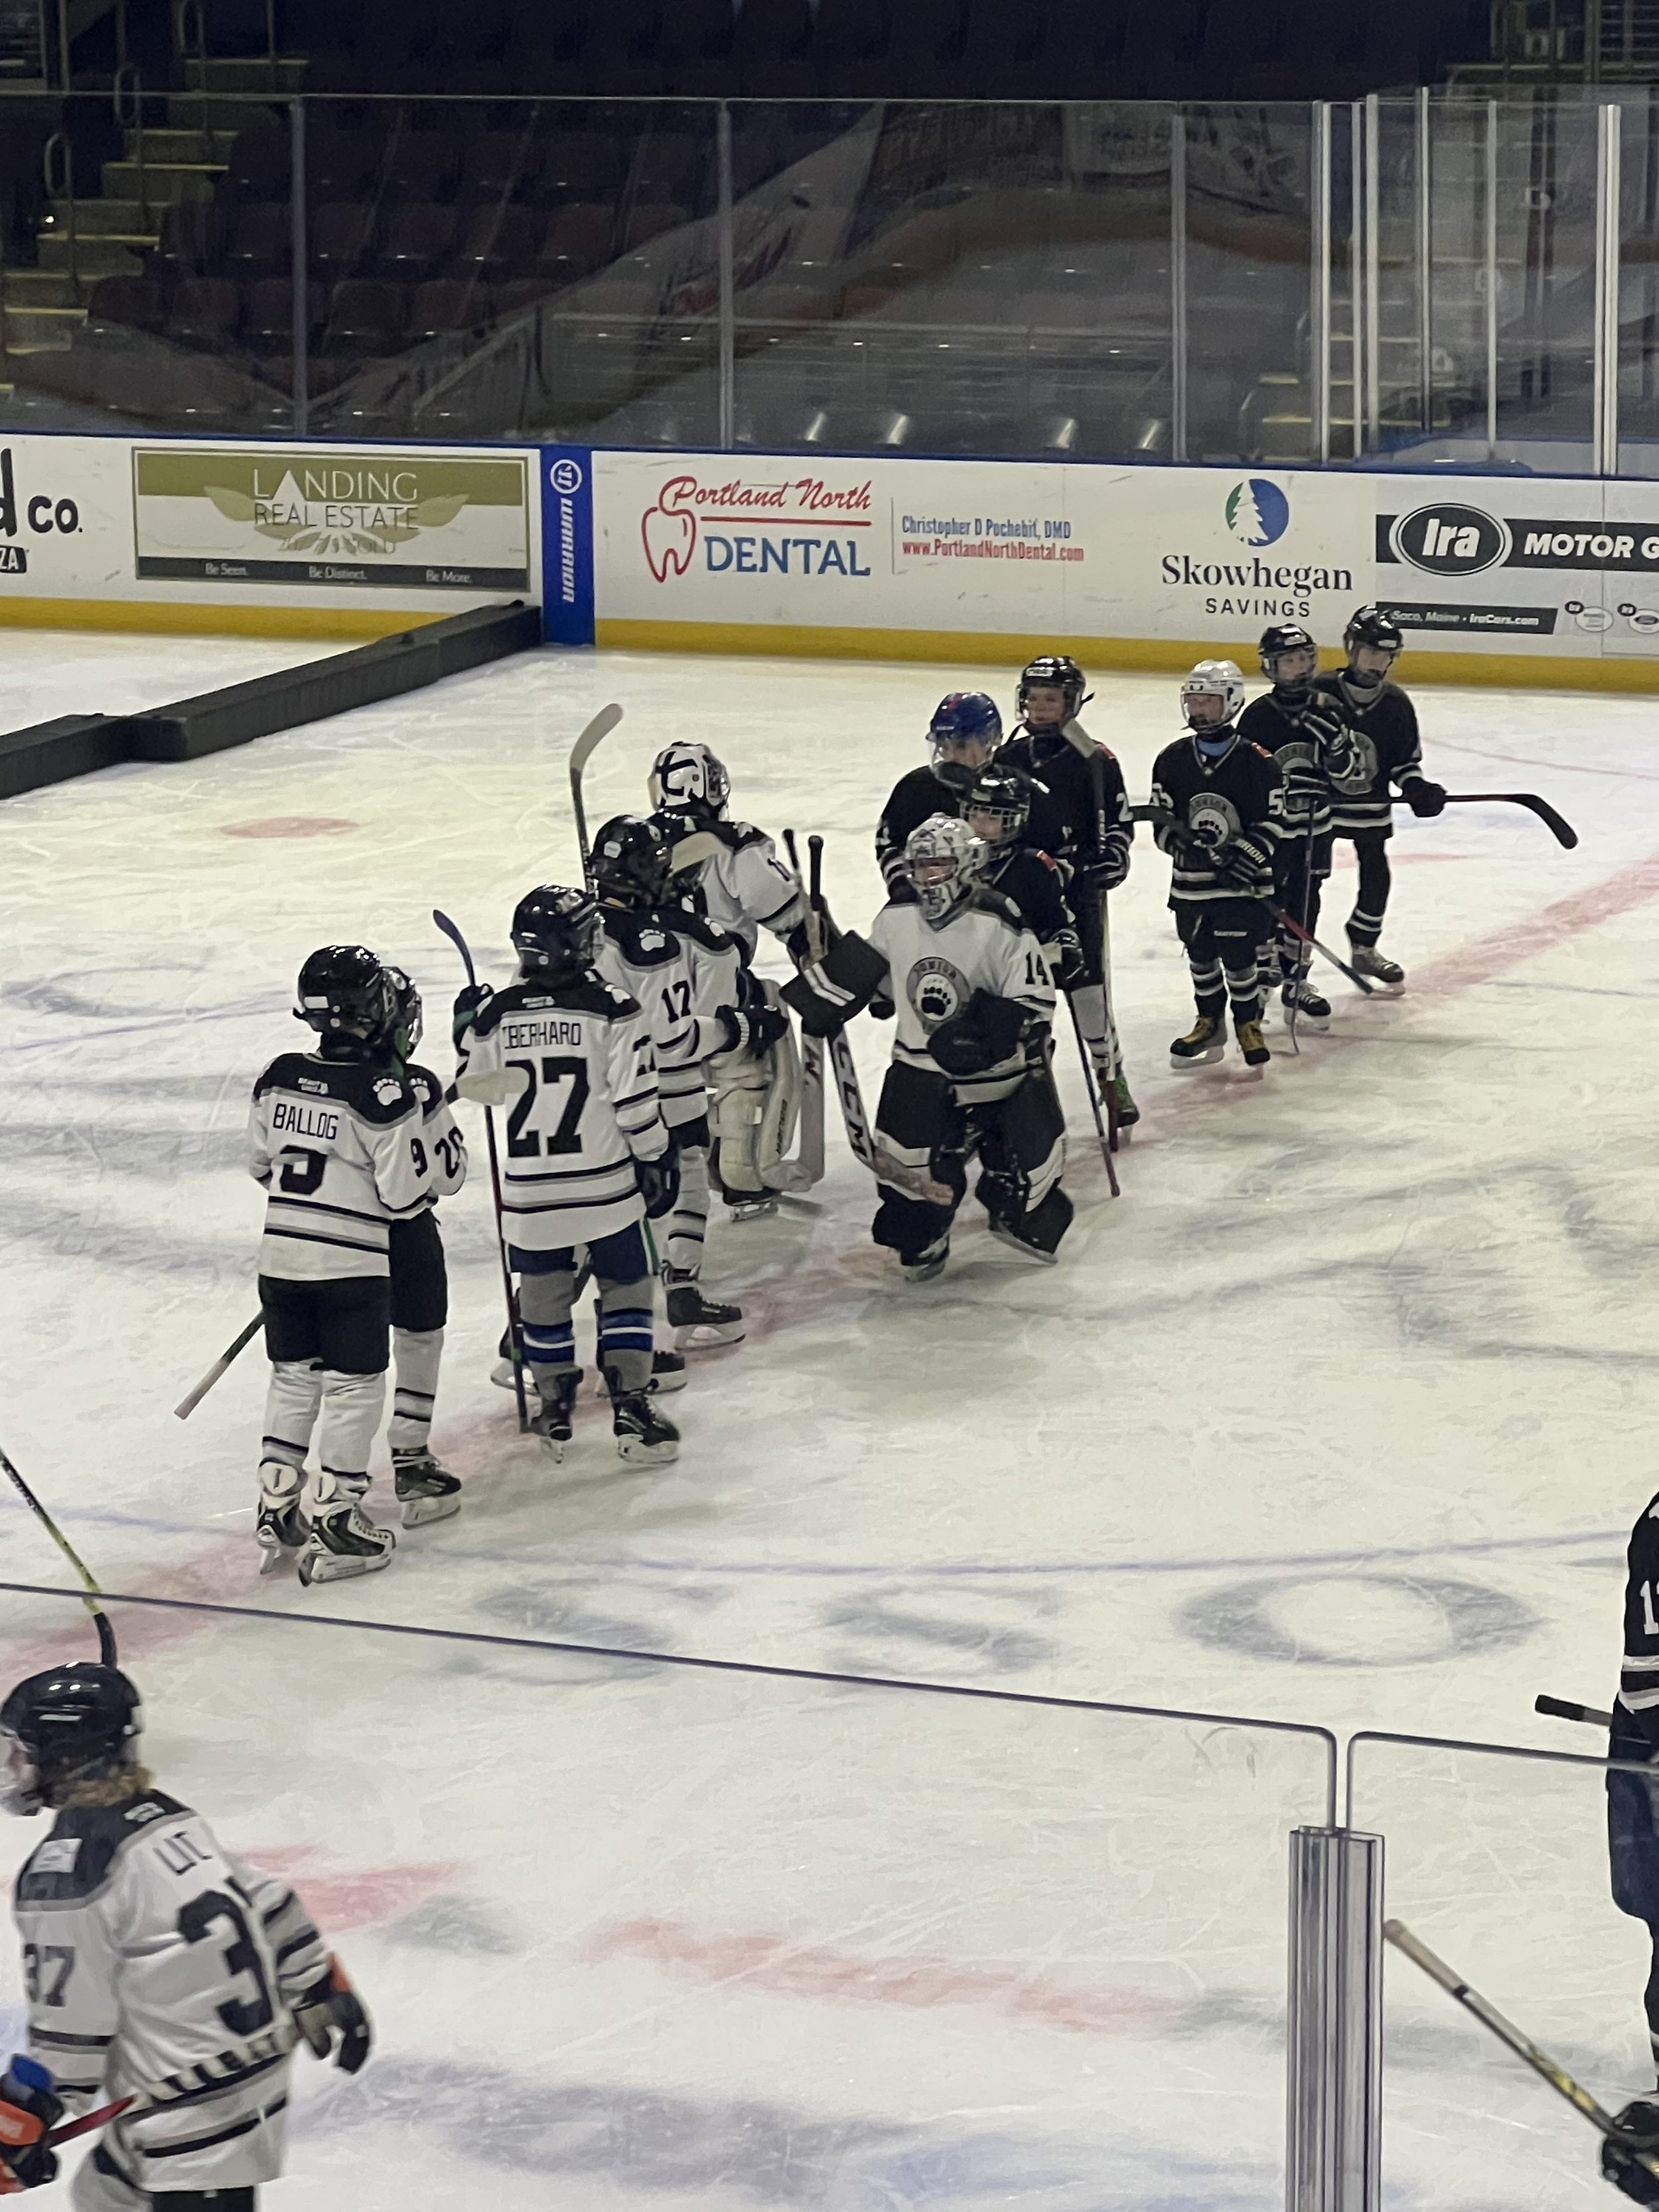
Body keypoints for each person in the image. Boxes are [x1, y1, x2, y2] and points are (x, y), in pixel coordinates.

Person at [0, 1661, 370, 2212]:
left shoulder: (66, 1875)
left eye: (22, 1750)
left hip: (195, 2109)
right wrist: (318, 1982)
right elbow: (270, 1899)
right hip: (241, 2067)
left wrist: (19, 2118)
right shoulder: (168, 1817)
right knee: (104, 2194)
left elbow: (72, 2037)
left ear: (64, 1754)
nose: (13, 1765)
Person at [786, 814, 1069, 1281]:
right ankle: (925, 1232)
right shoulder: (896, 917)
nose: (926, 877)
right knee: (904, 1167)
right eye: (918, 866)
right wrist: (828, 982)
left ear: (965, 863)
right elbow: (875, 985)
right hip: (919, 1066)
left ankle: (1014, 1201)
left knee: (1030, 1157)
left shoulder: (998, 919)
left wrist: (986, 1033)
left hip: (994, 1073)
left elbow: (1034, 1001)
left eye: (937, 864)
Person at [453, 883, 680, 1465]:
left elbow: (476, 1086)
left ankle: (555, 1400)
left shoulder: (498, 1012)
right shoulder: (613, 1007)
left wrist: (466, 1030)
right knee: (628, 1286)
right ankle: (630, 1402)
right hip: (604, 1182)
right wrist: (656, 1155)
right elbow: (634, 1103)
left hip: (531, 1191)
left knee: (543, 1295)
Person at [247, 945, 432, 1586]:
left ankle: (276, 1504)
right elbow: (404, 1195)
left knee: (293, 1378)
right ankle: (338, 1515)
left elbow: (261, 1164)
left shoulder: (277, 1073)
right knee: (354, 1387)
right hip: (351, 1268)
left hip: (281, 1257)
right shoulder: (383, 1092)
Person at [589, 814, 773, 1349]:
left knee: (613, 1202)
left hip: (596, 1100)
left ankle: (532, 1328)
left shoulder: (574, 932)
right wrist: (743, 1027)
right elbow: (681, 1038)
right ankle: (678, 1289)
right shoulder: (686, 939)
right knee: (682, 1182)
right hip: (668, 1091)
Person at [648, 741, 808, 1218]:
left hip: (650, 1001)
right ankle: (739, 1168)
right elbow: (786, 912)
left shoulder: (636, 842)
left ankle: (655, 1163)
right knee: (759, 1026)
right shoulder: (736, 842)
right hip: (722, 990)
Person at [997, 655, 1137, 1129]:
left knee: (1089, 992)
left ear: (1071, 703)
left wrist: (1113, 857)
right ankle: (1030, 1085)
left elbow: (1118, 822)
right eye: (1033, 699)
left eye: (1051, 700)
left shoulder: (1095, 759)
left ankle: (1110, 1075)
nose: (1039, 709)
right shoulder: (1006, 759)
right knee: (1022, 991)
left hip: (1077, 890)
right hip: (1022, 889)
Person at [1149, 662, 1287, 1072]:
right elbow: (1161, 820)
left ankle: (1248, 1023)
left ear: (1230, 703)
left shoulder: (1258, 761)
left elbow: (1272, 822)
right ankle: (1209, 1022)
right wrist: (1183, 848)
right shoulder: (1171, 760)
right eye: (1193, 700)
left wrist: (1245, 857)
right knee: (1201, 954)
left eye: (1208, 701)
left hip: (1241, 887)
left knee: (1240, 957)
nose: (1198, 709)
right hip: (1192, 885)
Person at [1238, 624, 1367, 1031]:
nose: (1300, 668)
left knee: (1306, 899)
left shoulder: (1330, 708)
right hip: (1272, 831)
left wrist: (1334, 749)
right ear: (1271, 667)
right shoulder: (1258, 716)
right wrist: (1281, 786)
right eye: (1290, 661)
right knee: (1267, 899)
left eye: (1305, 658)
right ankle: (1262, 977)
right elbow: (1243, 780)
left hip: (1315, 828)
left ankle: (1298, 979)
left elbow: (1352, 775)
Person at [1313, 605, 1447, 992]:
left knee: (1376, 871)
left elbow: (1403, 762)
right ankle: (1295, 959)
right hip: (1319, 806)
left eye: (1385, 655)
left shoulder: (1395, 704)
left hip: (1369, 804)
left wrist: (1416, 788)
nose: (1377, 663)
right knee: (1309, 876)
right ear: (1351, 649)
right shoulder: (1320, 692)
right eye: (1371, 652)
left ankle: (1365, 946)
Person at [380, 965, 465, 1522]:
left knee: (318, 1372)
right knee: (418, 1339)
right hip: (408, 1238)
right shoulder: (420, 1085)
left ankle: (284, 1493)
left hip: (331, 1241)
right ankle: (410, 1461)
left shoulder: (310, 1079)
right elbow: (451, 1175)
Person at [874, 692, 1062, 893]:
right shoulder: (915, 788)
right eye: (943, 745)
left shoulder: (1018, 790)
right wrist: (904, 889)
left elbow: (1054, 850)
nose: (950, 755)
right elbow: (889, 844)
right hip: (932, 906)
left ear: (989, 743)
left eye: (961, 745)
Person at [962, 761, 1079, 983]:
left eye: (993, 818)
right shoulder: (953, 860)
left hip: (1016, 974)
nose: (979, 825)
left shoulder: (1032, 866)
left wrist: (1062, 949)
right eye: (974, 815)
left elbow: (1056, 924)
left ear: (1015, 820)